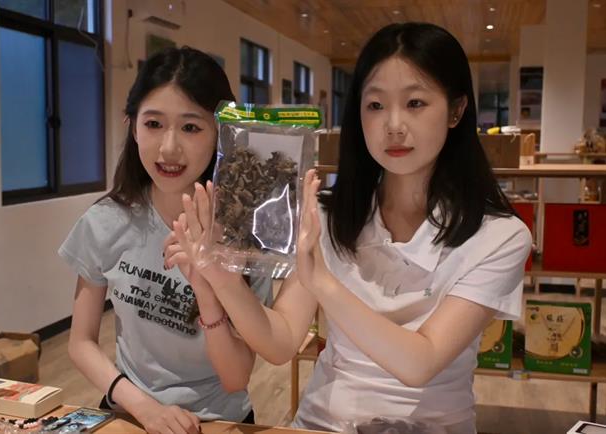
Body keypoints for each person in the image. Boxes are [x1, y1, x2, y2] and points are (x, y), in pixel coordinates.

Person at [165, 23, 531, 434]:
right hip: (323, 425)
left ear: (456, 110)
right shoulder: (327, 215)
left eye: (415, 103)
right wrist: (223, 280)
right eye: (375, 105)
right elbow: (281, 342)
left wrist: (324, 283)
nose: (393, 124)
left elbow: (421, 362)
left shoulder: (499, 236)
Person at [59, 46, 271, 434]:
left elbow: (236, 377)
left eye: (191, 127)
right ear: (133, 127)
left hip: (219, 421)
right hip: (129, 414)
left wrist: (208, 289)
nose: (169, 148)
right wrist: (145, 408)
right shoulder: (105, 222)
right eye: (154, 124)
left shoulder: (244, 235)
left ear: (220, 134)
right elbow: (80, 343)